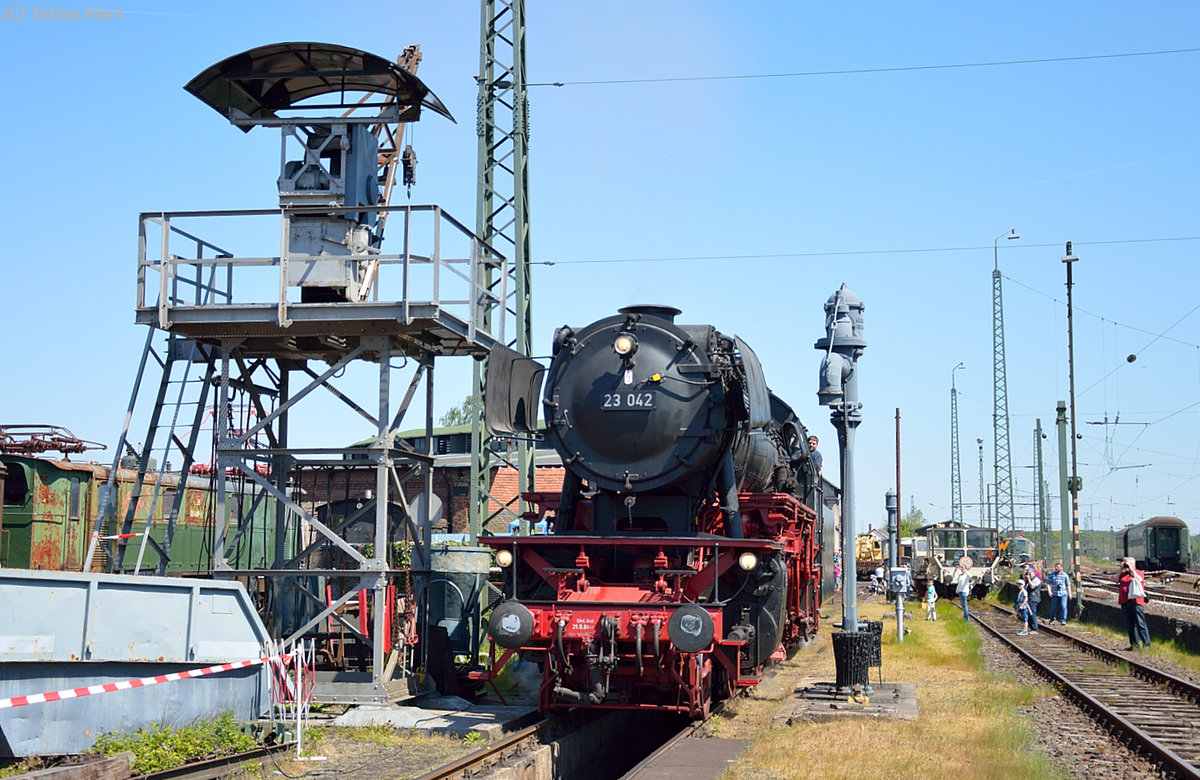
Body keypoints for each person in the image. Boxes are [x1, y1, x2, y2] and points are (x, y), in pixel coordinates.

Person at [1118, 557, 1152, 650]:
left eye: (1127, 563)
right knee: (1130, 624)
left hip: (1136, 602)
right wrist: (1120, 570)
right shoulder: (1123, 574)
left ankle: (1147, 645)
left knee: (1141, 623)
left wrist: (1132, 570)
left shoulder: (1138, 572)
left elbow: (1139, 579)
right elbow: (1114, 579)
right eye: (1124, 563)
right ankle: (1134, 645)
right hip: (1125, 602)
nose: (1125, 565)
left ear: (1133, 564)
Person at [1045, 561, 1072, 625]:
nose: (1056, 568)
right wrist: (1049, 591)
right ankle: (1052, 619)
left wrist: (1070, 593)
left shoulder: (1065, 575)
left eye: (1058, 567)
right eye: (1056, 567)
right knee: (1053, 608)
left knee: (1063, 606)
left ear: (1061, 567)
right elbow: (1048, 583)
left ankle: (1063, 620)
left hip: (1063, 594)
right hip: (1055, 594)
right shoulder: (1052, 575)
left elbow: (1068, 584)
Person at [1023, 566, 1042, 633]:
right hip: (1029, 599)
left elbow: (1032, 586)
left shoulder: (1036, 579)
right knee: (1028, 614)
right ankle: (1031, 627)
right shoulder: (1027, 580)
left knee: (1032, 613)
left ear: (1033, 573)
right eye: (1028, 573)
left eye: (1030, 573)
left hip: (1034, 599)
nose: (1029, 574)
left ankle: (1034, 628)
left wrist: (1028, 579)